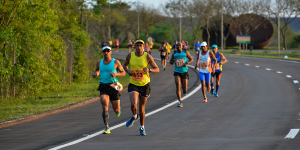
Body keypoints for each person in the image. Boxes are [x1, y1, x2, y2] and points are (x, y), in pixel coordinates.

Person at [123, 39, 159, 136]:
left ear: (144, 47)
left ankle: (142, 127)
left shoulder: (147, 56)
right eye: (137, 45)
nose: (139, 47)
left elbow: (157, 69)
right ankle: (134, 116)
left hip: (145, 84)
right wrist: (128, 71)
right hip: (134, 84)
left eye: (141, 45)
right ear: (135, 46)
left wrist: (149, 70)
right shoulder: (130, 55)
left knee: (141, 108)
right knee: (133, 103)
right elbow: (125, 65)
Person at [92, 46, 126, 134]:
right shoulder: (99, 62)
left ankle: (118, 111)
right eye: (104, 51)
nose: (106, 52)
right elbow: (97, 70)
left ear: (111, 52)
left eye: (108, 51)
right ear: (102, 52)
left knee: (116, 109)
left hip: (114, 86)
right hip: (103, 86)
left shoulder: (116, 62)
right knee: (104, 104)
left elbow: (123, 73)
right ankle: (107, 127)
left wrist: (116, 74)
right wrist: (96, 74)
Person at [170, 42, 193, 107]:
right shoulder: (174, 53)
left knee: (184, 88)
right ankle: (180, 101)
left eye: (180, 45)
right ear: (176, 47)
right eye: (177, 45)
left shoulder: (185, 52)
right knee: (178, 85)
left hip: (184, 71)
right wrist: (173, 61)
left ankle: (184, 90)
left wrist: (187, 63)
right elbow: (171, 62)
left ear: (182, 46)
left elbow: (191, 59)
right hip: (177, 72)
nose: (179, 46)